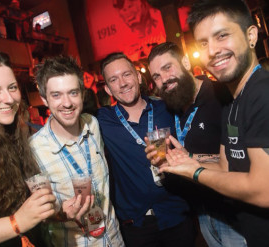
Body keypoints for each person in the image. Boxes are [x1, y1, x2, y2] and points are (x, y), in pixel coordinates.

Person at [154, 0, 269, 246]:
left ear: (251, 35)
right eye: (203, 43)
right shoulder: (231, 102)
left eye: (222, 36)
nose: (212, 50)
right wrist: (189, 160)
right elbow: (227, 168)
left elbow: (264, 190)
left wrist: (195, 172)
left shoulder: (263, 93)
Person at [147, 42, 245, 247]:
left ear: (185, 62)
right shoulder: (172, 106)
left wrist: (191, 159)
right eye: (156, 76)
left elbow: (241, 161)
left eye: (167, 67)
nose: (164, 79)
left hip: (235, 213)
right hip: (202, 213)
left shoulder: (222, 96)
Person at [97, 52, 195, 247]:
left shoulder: (167, 108)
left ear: (138, 77)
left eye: (127, 74)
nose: (123, 83)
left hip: (177, 215)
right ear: (108, 89)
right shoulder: (101, 120)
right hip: (137, 226)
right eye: (114, 80)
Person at [29, 55, 124, 246]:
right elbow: (37, 215)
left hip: (115, 239)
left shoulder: (93, 125)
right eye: (56, 95)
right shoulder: (34, 149)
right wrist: (61, 214)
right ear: (44, 99)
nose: (67, 103)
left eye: (73, 92)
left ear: (82, 93)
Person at [0, 48, 56, 246]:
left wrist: (55, 214)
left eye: (12, 87)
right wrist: (17, 223)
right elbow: (17, 219)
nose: (8, 99)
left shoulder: (11, 131)